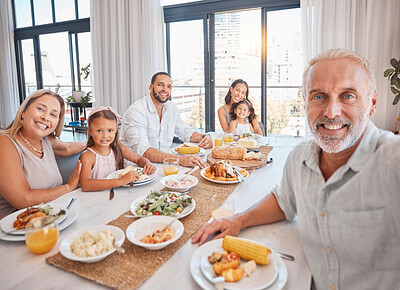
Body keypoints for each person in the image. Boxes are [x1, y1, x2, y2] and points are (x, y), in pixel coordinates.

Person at [192, 49, 400, 289]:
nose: (331, 112)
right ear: (305, 102)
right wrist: (239, 220)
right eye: (319, 96)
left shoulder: (392, 161)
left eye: (348, 96)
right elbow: (283, 200)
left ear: (372, 103)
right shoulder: (299, 158)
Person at [0, 89, 85, 219]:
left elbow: (67, 148)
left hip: (53, 218)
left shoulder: (45, 141)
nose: (45, 117)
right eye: (40, 109)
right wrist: (69, 187)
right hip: (17, 228)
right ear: (24, 111)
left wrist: (92, 141)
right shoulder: (5, 142)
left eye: (53, 115)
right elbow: (24, 199)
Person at [120, 72, 213, 168]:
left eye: (169, 86)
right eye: (160, 85)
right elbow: (142, 150)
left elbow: (184, 132)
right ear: (151, 87)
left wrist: (204, 137)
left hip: (165, 164)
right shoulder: (136, 111)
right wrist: (180, 159)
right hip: (137, 170)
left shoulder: (171, 107)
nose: (165, 89)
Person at [79, 107, 156, 192]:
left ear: (116, 129)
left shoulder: (118, 147)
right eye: (99, 130)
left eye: (110, 130)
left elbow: (138, 159)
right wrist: (120, 181)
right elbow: (85, 185)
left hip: (117, 194)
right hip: (97, 199)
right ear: (90, 131)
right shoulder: (88, 156)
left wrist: (147, 163)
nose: (105, 136)